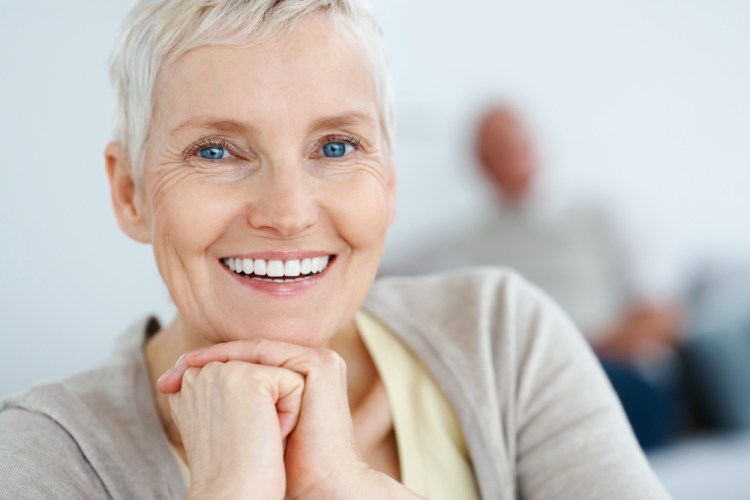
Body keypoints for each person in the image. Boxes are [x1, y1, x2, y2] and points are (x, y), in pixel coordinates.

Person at [0, 1, 668, 498]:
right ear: (129, 194)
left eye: (336, 148)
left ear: (388, 182)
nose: (288, 214)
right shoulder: (45, 455)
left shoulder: (501, 337)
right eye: (215, 150)